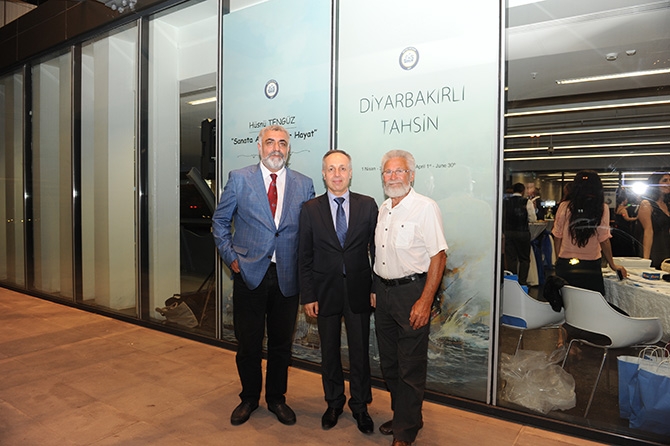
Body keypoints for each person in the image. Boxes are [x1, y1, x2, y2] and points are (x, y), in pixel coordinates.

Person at [212, 124, 315, 426]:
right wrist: (232, 258)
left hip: (287, 276)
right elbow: (219, 222)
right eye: (270, 142)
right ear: (259, 147)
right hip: (249, 275)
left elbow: (309, 233)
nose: (276, 148)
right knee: (249, 344)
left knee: (282, 345)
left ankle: (276, 399)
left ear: (289, 149)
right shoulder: (239, 178)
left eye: (282, 143)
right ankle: (249, 398)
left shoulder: (304, 184)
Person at [298, 149, 378, 434]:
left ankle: (360, 406)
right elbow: (304, 256)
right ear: (323, 174)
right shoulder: (310, 209)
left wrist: (375, 288)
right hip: (324, 292)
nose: (337, 174)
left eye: (342, 168)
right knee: (329, 352)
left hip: (359, 291)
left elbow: (377, 250)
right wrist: (308, 295)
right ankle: (333, 403)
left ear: (350, 173)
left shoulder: (368, 205)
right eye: (331, 169)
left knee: (360, 353)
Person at [372, 150, 448, 446]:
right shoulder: (383, 208)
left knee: (410, 366)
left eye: (399, 171)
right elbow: (379, 255)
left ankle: (405, 431)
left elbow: (438, 256)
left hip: (412, 294)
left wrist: (425, 301)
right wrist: (375, 289)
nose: (393, 177)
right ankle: (408, 416)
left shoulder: (425, 207)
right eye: (388, 172)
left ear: (411, 175)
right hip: (383, 294)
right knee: (390, 364)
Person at [551, 170, 626, 295]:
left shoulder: (564, 206)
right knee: (591, 300)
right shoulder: (602, 208)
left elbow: (557, 236)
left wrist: (559, 259)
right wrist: (612, 264)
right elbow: (604, 239)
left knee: (567, 300)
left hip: (566, 263)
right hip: (590, 265)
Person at [503, 183, 537, 285]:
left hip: (508, 233)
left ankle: (512, 282)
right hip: (522, 233)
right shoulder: (527, 202)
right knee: (524, 259)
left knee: (511, 259)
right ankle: (522, 282)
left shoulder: (505, 202)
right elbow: (533, 218)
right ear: (523, 191)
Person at [637, 172, 670, 269]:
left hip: (666, 247)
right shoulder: (647, 203)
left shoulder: (667, 205)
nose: (668, 183)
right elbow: (648, 231)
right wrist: (646, 259)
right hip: (654, 249)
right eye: (664, 180)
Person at [611, 187, 639, 257]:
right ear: (624, 200)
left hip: (617, 228)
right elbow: (627, 219)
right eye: (626, 200)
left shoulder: (616, 208)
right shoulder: (623, 210)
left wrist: (629, 205)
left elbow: (626, 206)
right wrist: (636, 218)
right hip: (624, 228)